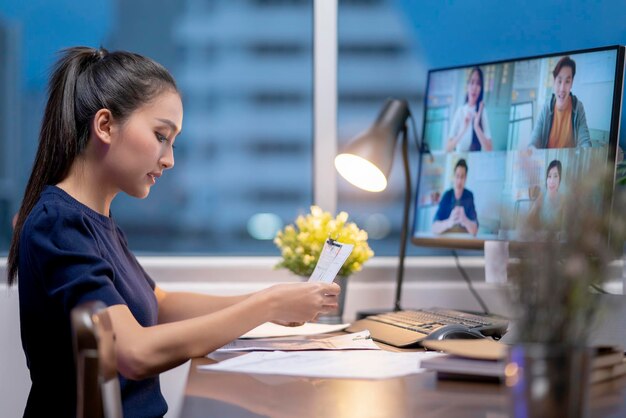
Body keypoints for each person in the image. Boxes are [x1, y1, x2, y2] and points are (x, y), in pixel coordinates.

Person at [6, 46, 340, 418]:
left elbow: (160, 303)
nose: (169, 159)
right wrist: (266, 306)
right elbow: (134, 352)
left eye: (173, 142)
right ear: (104, 125)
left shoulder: (95, 220)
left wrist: (270, 303)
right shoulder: (59, 223)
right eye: (160, 135)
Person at [529, 56, 591, 148]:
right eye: (559, 81)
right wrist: (531, 151)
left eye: (567, 81)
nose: (562, 88)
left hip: (569, 162)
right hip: (547, 161)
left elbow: (585, 142)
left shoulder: (578, 107)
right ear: (554, 81)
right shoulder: (546, 108)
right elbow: (534, 141)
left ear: (571, 83)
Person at [445, 67, 493, 152]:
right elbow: (448, 148)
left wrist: (476, 126)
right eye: (472, 82)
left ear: (481, 89)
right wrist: (463, 129)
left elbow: (489, 149)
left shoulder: (482, 111)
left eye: (478, 84)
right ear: (467, 86)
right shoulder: (460, 111)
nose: (474, 87)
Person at [432, 159, 478, 235]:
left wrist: (464, 220)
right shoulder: (446, 195)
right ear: (454, 177)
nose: (459, 181)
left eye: (462, 177)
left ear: (465, 178)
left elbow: (475, 230)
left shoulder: (469, 196)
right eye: (457, 176)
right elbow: (434, 227)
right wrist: (449, 222)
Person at [529, 159, 564, 229]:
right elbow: (528, 220)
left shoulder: (563, 199)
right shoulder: (542, 195)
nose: (552, 181)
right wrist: (536, 205)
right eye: (549, 176)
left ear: (560, 179)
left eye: (555, 176)